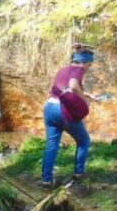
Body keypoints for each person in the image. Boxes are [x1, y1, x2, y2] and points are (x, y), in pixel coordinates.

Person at [41, 47, 97, 188]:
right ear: (83, 62)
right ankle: (79, 173)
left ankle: (46, 180)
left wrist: (87, 94)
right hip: (62, 111)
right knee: (84, 141)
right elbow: (72, 86)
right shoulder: (79, 70)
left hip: (49, 108)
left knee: (51, 146)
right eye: (89, 65)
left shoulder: (62, 70)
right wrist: (84, 100)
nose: (88, 68)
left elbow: (64, 89)